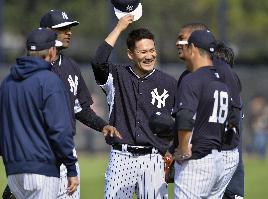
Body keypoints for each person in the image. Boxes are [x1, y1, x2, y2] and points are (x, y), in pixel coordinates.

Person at [2, 10, 122, 199]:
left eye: (69, 28)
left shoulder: (71, 67)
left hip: (64, 152)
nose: (69, 32)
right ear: (45, 32)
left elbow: (79, 108)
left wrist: (102, 125)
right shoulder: (26, 71)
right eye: (62, 28)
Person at [91, 15, 177, 199]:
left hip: (153, 159)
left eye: (152, 50)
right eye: (143, 52)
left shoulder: (169, 83)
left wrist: (172, 151)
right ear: (130, 54)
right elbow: (98, 61)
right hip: (121, 158)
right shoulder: (117, 76)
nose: (149, 56)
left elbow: (179, 121)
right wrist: (119, 28)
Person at [0, 28, 79, 199]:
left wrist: (11, 159)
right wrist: (71, 167)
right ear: (52, 51)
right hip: (42, 171)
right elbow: (60, 130)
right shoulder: (50, 81)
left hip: (14, 172)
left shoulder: (7, 82)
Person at [174, 23, 244, 199]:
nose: (178, 44)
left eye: (183, 40)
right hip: (218, 155)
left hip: (210, 152)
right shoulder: (217, 72)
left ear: (194, 45)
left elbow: (186, 117)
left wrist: (182, 148)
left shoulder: (203, 75)